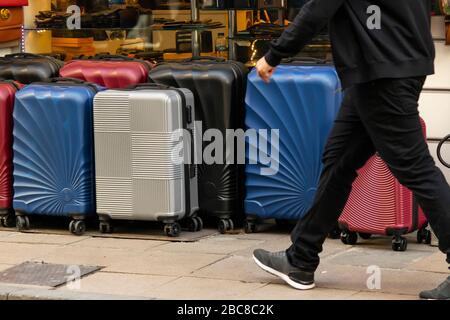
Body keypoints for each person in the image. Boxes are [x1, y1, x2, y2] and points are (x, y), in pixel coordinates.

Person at [253, 0, 450, 300]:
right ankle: (301, 259)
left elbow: (318, 8)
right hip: (384, 68)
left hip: (382, 72)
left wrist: (275, 54)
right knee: (339, 160)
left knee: (416, 169)